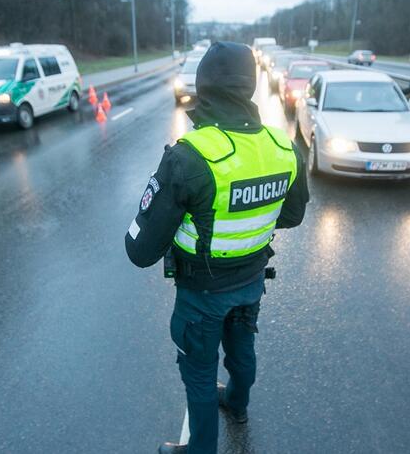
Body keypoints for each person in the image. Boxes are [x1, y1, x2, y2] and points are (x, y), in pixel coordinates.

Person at [124, 42, 309, 454]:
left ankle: (201, 449)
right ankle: (238, 404)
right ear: (251, 85)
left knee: (200, 372)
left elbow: (139, 251)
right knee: (243, 348)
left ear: (203, 86)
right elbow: (292, 216)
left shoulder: (190, 157)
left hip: (201, 294)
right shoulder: (285, 148)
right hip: (251, 281)